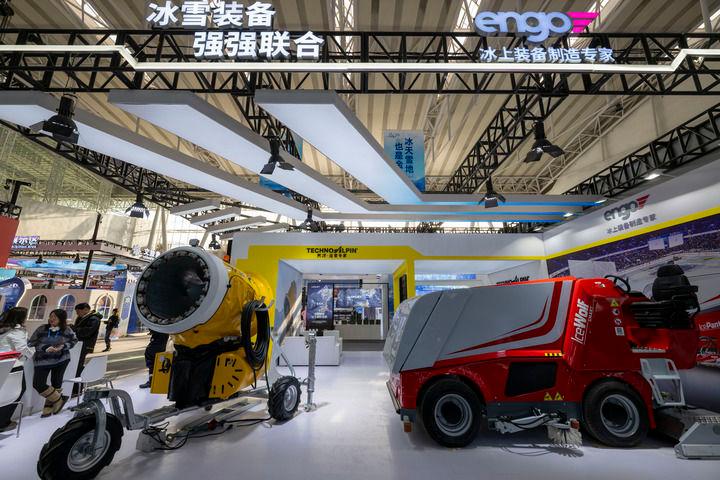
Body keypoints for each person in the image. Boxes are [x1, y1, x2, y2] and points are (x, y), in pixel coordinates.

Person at [28, 309, 77, 417]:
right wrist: (45, 347)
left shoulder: (67, 329)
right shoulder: (42, 328)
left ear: (61, 319)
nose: (51, 319)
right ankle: (59, 399)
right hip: (42, 361)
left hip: (61, 359)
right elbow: (31, 343)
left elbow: (74, 341)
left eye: (55, 317)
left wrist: (63, 346)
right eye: (51, 316)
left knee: (56, 383)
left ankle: (48, 408)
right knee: (38, 384)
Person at [0, 307, 32, 431]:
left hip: (3, 363)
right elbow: (22, 348)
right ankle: (2, 422)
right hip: (13, 365)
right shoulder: (17, 331)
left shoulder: (3, 328)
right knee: (15, 391)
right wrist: (31, 354)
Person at [72, 303, 102, 377]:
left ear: (85, 309)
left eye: (78, 312)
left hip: (85, 344)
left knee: (79, 363)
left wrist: (75, 329)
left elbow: (88, 331)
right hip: (78, 344)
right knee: (76, 363)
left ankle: (79, 379)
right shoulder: (82, 318)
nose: (77, 314)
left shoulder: (94, 318)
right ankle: (76, 378)